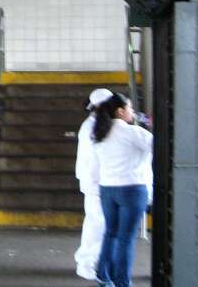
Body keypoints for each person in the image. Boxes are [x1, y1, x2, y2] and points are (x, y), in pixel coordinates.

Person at [93, 93, 153, 287]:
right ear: (120, 111)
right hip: (132, 190)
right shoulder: (133, 132)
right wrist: (150, 126)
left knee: (110, 233)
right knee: (126, 239)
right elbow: (158, 146)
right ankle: (122, 282)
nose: (133, 111)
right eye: (130, 108)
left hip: (107, 190)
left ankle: (103, 276)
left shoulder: (101, 134)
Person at [74, 88, 113, 281]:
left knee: (97, 222)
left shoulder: (92, 124)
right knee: (97, 223)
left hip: (95, 181)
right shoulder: (93, 127)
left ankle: (90, 260)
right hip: (95, 182)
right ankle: (86, 263)